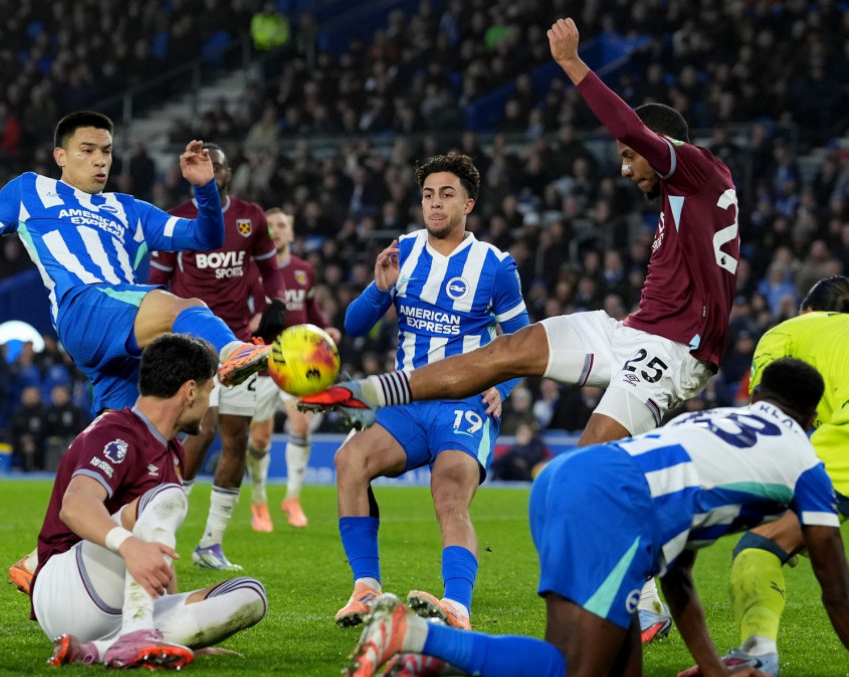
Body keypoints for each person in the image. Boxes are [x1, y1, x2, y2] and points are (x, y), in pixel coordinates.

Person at [303, 17, 742, 641]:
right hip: (632, 331)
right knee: (512, 348)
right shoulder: (688, 196)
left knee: (583, 471)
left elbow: (629, 127)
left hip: (674, 352)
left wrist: (571, 64)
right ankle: (377, 391)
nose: (624, 169)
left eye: (628, 160)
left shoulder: (696, 168)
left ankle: (644, 598)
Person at [339, 358, 849, 677]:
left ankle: (436, 661)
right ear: (811, 416)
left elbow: (678, 571)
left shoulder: (714, 422)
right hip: (614, 504)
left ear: (757, 394)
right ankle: (412, 633)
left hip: (573, 476)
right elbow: (837, 589)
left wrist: (715, 669)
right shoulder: (806, 462)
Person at [0, 111, 271, 417]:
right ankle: (234, 351)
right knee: (186, 307)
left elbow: (207, 237)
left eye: (106, 151)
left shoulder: (132, 210)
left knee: (134, 443)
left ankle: (62, 538)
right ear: (61, 156)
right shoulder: (30, 190)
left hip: (123, 333)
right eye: (87, 150)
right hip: (83, 307)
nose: (100, 160)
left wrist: (204, 192)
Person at [329, 152, 530, 636]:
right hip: (407, 403)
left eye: (446, 195)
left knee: (449, 493)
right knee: (348, 460)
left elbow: (524, 342)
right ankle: (366, 588)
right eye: (428, 195)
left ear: (468, 204)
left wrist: (501, 387)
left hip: (465, 405)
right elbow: (354, 326)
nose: (435, 204)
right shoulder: (404, 252)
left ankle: (456, 606)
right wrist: (379, 291)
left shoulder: (495, 265)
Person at [36, 333, 268, 669]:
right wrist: (129, 545)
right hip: (69, 589)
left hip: (112, 608)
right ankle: (136, 636)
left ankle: (102, 649)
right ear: (190, 391)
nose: (209, 404)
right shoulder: (116, 432)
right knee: (166, 497)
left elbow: (154, 556)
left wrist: (186, 634)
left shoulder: (170, 449)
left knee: (251, 595)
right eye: (208, 392)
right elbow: (74, 506)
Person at [678, 275, 849, 677]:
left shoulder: (786, 331)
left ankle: (758, 652)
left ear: (807, 308)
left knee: (760, 546)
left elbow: (768, 419)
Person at [149, 142, 287, 571]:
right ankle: (164, 531)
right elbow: (157, 280)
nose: (215, 171)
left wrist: (276, 303)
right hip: (193, 342)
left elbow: (269, 268)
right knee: (200, 432)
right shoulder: (178, 219)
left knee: (237, 439)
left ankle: (210, 544)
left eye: (220, 165)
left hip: (240, 343)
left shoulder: (251, 217)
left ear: (226, 173)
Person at [245, 208, 342, 532]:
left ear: (290, 233)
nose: (275, 230)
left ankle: (292, 498)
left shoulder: (304, 271)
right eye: (270, 225)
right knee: (259, 440)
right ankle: (259, 501)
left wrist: (326, 328)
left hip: (297, 364)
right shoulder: (251, 270)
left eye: (281, 225)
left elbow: (310, 308)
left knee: (301, 424)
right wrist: (250, 325)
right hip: (260, 362)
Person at [10, 386, 49, 472]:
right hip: (20, 447)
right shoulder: (17, 413)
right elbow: (13, 431)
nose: (30, 398)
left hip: (40, 447)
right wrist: (22, 441)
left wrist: (34, 441)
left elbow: (46, 430)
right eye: (28, 396)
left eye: (33, 396)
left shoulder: (44, 413)